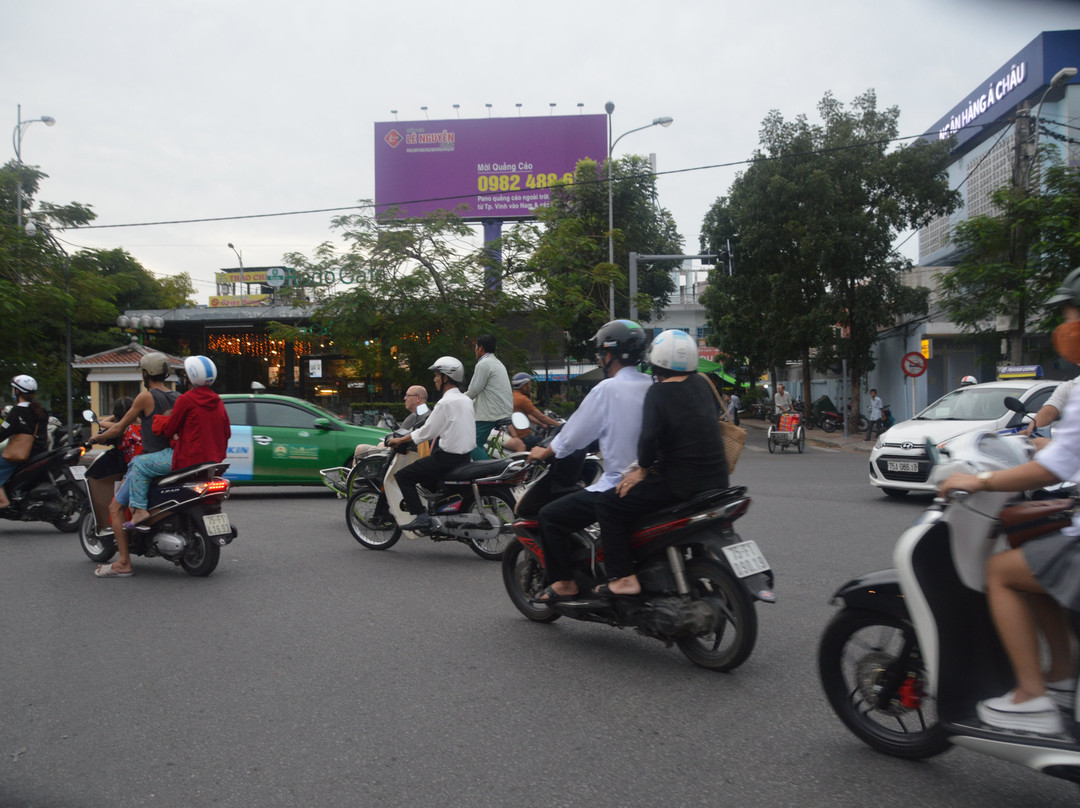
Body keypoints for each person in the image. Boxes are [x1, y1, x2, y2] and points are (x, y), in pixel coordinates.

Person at [937, 267, 1080, 735]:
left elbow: (1051, 468)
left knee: (1003, 572)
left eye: (1070, 314)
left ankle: (1031, 697)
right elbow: (1051, 438)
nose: (1065, 326)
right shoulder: (1069, 389)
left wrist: (979, 483)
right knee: (1033, 555)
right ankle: (1060, 674)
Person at [592, 330, 729, 596]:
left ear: (656, 361)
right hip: (718, 481)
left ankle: (623, 579)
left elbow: (649, 439)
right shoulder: (702, 383)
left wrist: (641, 470)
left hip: (679, 485)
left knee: (607, 504)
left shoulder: (659, 392)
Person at [526, 319, 652, 602]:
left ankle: (564, 584)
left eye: (601, 352)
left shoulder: (606, 390)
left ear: (610, 354)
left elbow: (572, 437)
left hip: (619, 483)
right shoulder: (654, 385)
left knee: (551, 517)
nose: (600, 358)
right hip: (653, 480)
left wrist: (544, 452)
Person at [92, 352, 180, 575]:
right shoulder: (178, 397)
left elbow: (120, 427)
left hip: (150, 461)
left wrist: (98, 437)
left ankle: (123, 561)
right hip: (174, 458)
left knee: (116, 507)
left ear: (145, 373)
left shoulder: (145, 397)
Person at [387, 357, 476, 533]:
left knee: (404, 476)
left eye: (437, 375)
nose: (434, 379)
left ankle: (421, 517)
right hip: (465, 457)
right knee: (427, 477)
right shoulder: (466, 400)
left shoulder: (445, 403)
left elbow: (427, 431)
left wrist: (401, 440)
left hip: (447, 458)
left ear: (445, 378)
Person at [148, 355, 230, 473]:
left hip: (189, 460)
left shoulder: (186, 399)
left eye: (185, 376)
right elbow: (227, 432)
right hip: (215, 460)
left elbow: (169, 430)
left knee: (139, 464)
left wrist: (161, 421)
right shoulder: (218, 400)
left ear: (190, 378)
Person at [0, 375, 50, 510]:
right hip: (41, 451)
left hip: (23, 453)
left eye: (13, 389)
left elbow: (3, 432)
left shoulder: (17, 411)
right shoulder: (41, 411)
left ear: (17, 391)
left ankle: (3, 501)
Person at [464, 334, 513, 460]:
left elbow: (473, 391)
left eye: (475, 347)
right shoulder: (498, 363)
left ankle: (485, 474)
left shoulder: (483, 364)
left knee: (471, 443)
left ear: (480, 348)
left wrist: (459, 399)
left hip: (490, 414)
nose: (475, 350)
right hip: (502, 411)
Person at [355, 385, 428, 463]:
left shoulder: (416, 416)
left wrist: (388, 439)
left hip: (401, 454)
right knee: (380, 444)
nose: (405, 398)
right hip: (407, 451)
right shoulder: (424, 414)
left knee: (360, 448)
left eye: (408, 395)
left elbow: (398, 435)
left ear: (418, 398)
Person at [503, 372, 560, 453]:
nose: (530, 387)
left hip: (514, 434)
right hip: (523, 436)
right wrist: (559, 425)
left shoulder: (513, 396)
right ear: (524, 386)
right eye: (529, 385)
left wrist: (542, 425)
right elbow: (540, 416)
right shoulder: (522, 399)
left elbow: (528, 415)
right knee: (544, 448)